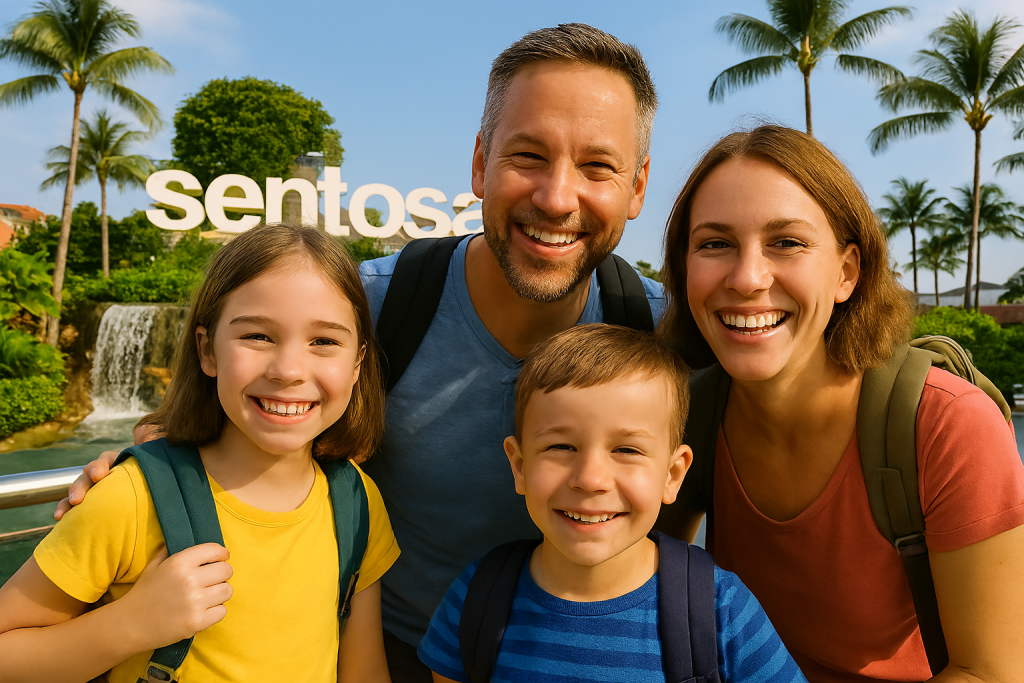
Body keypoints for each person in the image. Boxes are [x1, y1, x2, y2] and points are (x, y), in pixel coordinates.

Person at [57, 24, 665, 681]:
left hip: (582, 659)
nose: (556, 196)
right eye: (528, 156)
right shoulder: (364, 310)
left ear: (637, 186)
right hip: (385, 649)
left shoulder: (660, 332)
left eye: (598, 166)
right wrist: (143, 467)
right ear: (479, 164)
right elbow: (221, 421)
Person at [656, 125, 1024, 681]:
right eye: (714, 243)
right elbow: (640, 597)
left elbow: (990, 671)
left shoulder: (945, 424)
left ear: (846, 273)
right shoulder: (686, 416)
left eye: (787, 242)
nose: (748, 277)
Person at [0, 224, 400, 682]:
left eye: (324, 342)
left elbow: (364, 669)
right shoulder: (131, 500)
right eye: (257, 336)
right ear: (207, 350)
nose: (289, 370)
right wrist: (129, 625)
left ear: (358, 363)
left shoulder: (356, 501)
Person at [417, 324, 807, 683]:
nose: (590, 479)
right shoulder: (476, 599)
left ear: (672, 475)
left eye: (626, 449)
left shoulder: (721, 613)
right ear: (519, 467)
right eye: (561, 446)